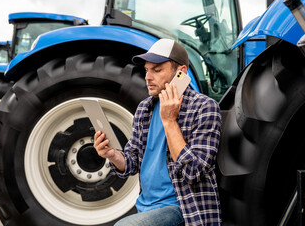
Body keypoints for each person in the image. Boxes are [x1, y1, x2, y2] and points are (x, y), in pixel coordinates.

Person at [94, 38, 222, 226]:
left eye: (157, 70)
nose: (147, 77)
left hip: (183, 208)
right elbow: (132, 162)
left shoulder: (205, 108)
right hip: (146, 206)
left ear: (181, 73)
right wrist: (112, 155)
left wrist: (170, 120)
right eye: (147, 70)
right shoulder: (145, 108)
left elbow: (193, 172)